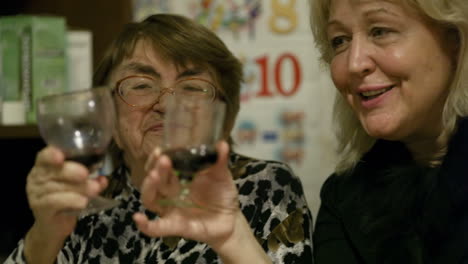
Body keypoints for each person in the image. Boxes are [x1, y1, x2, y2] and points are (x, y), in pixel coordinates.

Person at [4, 14, 313, 263]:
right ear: (105, 113)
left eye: (192, 88)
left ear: (224, 119)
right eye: (140, 85)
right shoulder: (83, 204)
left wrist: (235, 243)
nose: (165, 105)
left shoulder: (266, 187)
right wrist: (43, 235)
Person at [309, 0, 468, 263]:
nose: (354, 63)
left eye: (380, 31)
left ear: (455, 37)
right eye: (340, 40)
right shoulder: (344, 198)